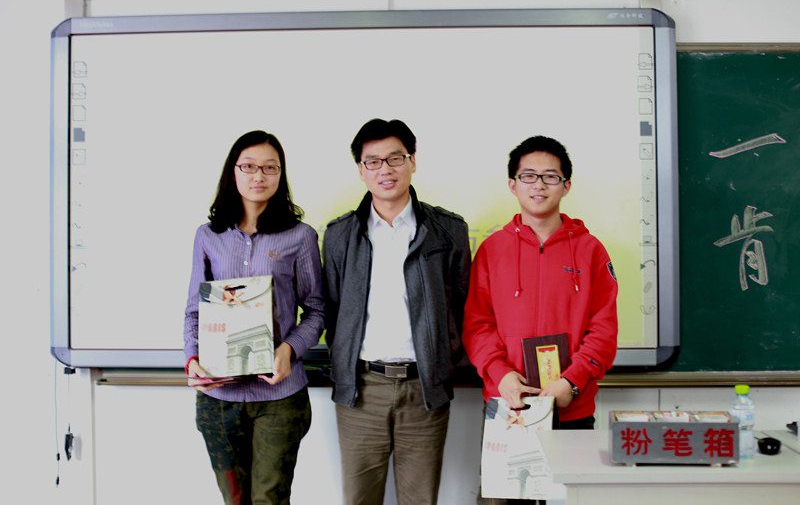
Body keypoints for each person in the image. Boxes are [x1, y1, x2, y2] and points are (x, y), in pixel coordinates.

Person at [322, 118, 471, 505]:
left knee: (420, 500)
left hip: (424, 389)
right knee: (359, 499)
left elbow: (461, 304)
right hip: (361, 391)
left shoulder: (448, 231)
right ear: (361, 170)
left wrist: (444, 361)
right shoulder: (340, 235)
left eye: (395, 158)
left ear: (412, 161)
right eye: (373, 162)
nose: (385, 170)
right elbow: (332, 308)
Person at [183, 130, 324, 505]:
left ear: (280, 174)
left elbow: (317, 309)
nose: (259, 176)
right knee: (234, 499)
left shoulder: (300, 236)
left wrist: (289, 350)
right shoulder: (208, 236)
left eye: (269, 168)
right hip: (219, 397)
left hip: (279, 396)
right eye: (249, 166)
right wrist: (192, 359)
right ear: (233, 171)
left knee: (269, 499)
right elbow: (195, 310)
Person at [463, 135, 618, 431]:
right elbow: (477, 325)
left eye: (550, 176)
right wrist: (501, 374)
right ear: (513, 185)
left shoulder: (591, 251)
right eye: (529, 176)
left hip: (571, 406)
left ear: (566, 185)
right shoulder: (491, 250)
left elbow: (603, 329)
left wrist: (571, 382)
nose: (539, 185)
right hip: (508, 406)